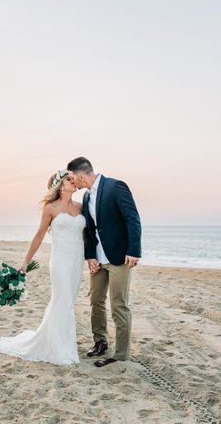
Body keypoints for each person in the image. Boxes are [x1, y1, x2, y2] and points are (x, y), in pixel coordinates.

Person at [0, 169, 86, 365]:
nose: (73, 181)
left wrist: (94, 258)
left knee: (68, 301)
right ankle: (62, 350)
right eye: (68, 179)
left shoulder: (81, 207)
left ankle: (56, 340)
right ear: (59, 186)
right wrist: (25, 261)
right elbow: (39, 235)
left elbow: (87, 235)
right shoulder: (50, 208)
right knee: (62, 299)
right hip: (60, 260)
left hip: (77, 260)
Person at [67, 157, 141, 367]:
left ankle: (120, 354)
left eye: (73, 178)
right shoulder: (88, 196)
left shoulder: (116, 187)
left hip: (119, 257)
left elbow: (132, 218)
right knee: (95, 301)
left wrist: (134, 251)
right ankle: (100, 342)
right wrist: (90, 255)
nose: (73, 182)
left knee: (119, 305)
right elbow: (90, 230)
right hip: (97, 260)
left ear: (81, 175)